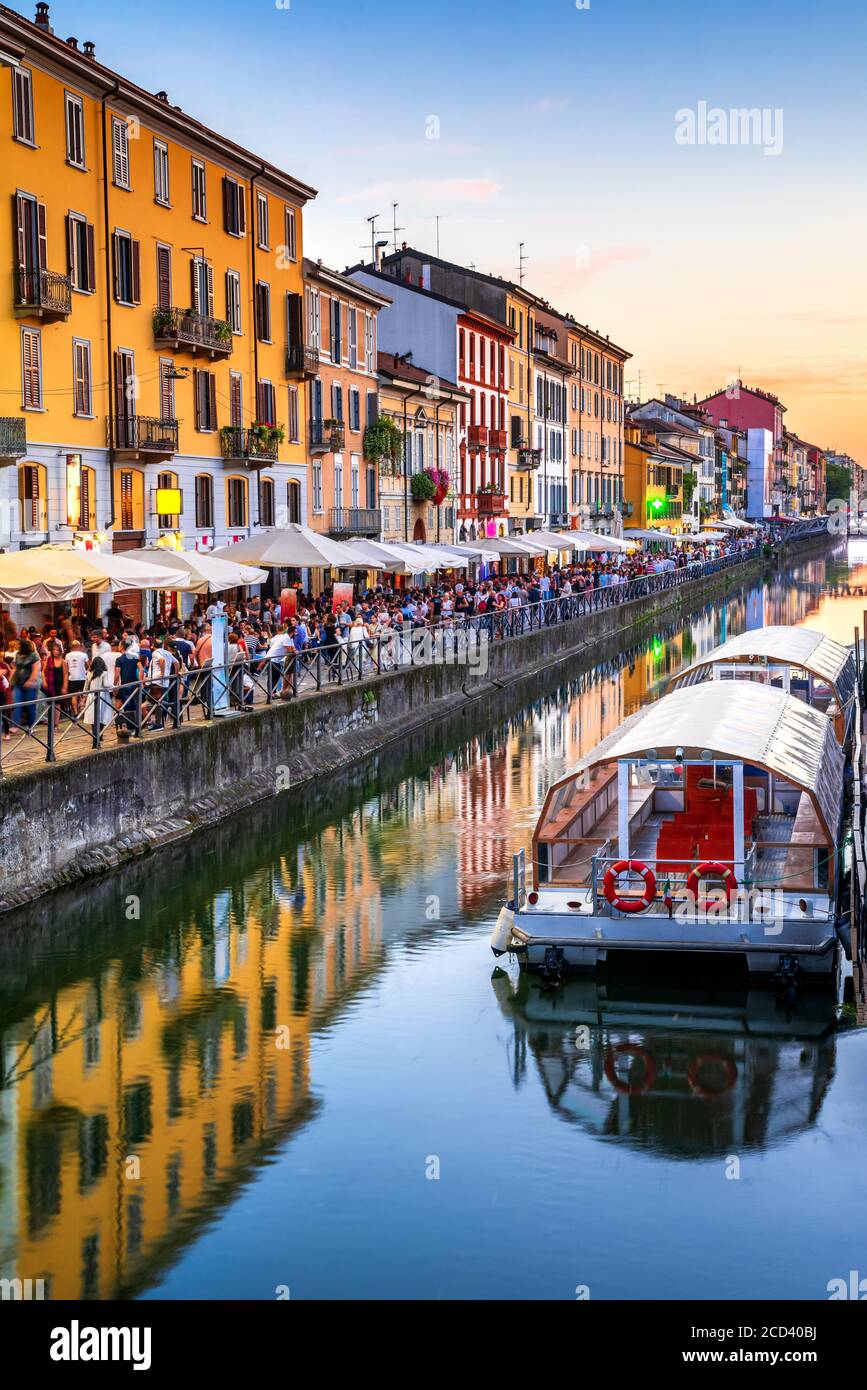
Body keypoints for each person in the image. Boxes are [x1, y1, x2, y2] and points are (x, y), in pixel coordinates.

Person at [114, 637, 143, 738]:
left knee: (127, 708)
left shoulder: (119, 659)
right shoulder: (135, 657)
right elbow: (141, 669)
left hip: (125, 685)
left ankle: (130, 728)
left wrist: (114, 686)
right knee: (135, 706)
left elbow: (117, 674)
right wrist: (140, 681)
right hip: (135, 684)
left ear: (122, 647)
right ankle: (137, 728)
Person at [11, 638, 42, 731]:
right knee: (17, 704)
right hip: (18, 683)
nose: (17, 646)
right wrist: (11, 679)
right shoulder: (18, 655)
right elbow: (15, 668)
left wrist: (30, 681)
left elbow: (35, 670)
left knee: (30, 706)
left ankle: (31, 726)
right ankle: (14, 725)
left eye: (19, 645)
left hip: (30, 685)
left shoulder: (33, 656)